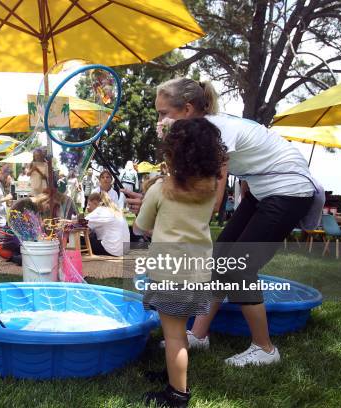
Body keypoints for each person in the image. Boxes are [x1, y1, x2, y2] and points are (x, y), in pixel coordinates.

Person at [125, 77, 317, 368]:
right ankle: (199, 334)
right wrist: (157, 199)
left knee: (239, 266)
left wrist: (161, 207)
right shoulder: (201, 133)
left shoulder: (216, 131)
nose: (159, 120)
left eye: (164, 113)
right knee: (220, 261)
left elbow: (210, 203)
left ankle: (265, 348)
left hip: (289, 189)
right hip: (262, 191)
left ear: (187, 109)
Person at [135, 118, 228, 408]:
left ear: (172, 154)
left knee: (174, 335)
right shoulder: (211, 189)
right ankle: (174, 373)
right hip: (198, 273)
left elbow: (140, 227)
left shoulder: (159, 190)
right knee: (178, 331)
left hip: (169, 274)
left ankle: (177, 394)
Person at [85, 192, 130, 256]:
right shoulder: (115, 210)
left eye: (89, 204)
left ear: (95, 203)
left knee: (83, 239)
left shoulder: (100, 210)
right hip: (123, 250)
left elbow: (81, 224)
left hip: (111, 250)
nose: (87, 207)